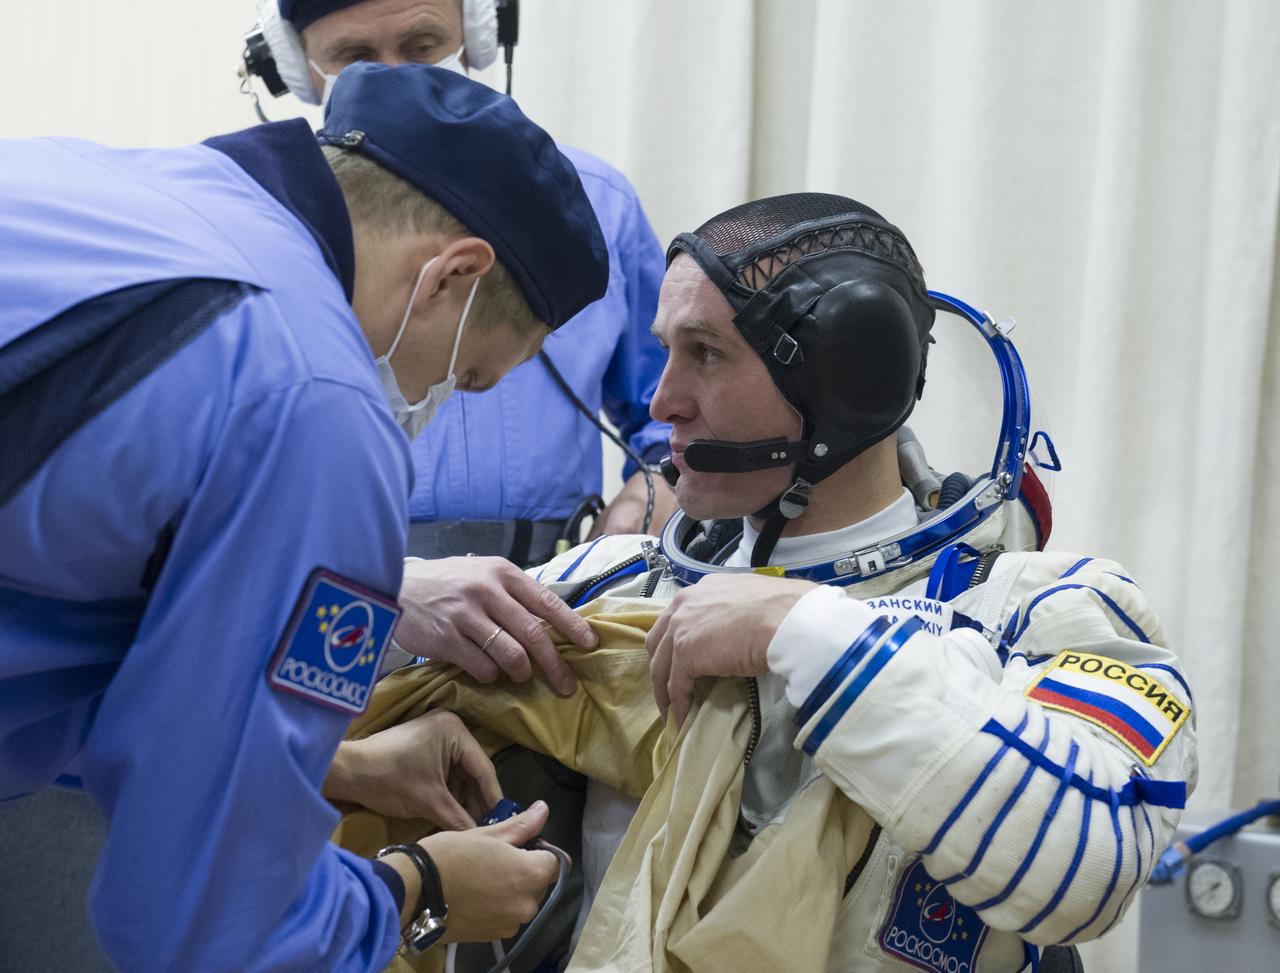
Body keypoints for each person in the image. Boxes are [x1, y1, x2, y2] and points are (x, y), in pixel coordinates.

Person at [338, 193, 1198, 972]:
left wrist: (803, 628)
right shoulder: (612, 581)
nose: (665, 400)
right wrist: (392, 597)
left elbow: (1091, 860)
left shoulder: (1041, 608)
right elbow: (261, 726)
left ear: (845, 381)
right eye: (666, 353)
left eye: (705, 354)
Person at [0, 63, 610, 971]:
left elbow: (40, 612)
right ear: (453, 273)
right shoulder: (315, 404)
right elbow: (207, 926)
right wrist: (421, 890)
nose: (435, 400)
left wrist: (333, 767)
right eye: (466, 376)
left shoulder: (79, 186)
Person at [246, 0, 678, 568]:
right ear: (295, 68)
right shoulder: (255, 218)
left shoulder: (594, 204)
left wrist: (654, 490)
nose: (392, 77)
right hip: (339, 579)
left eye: (423, 46)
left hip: (547, 584)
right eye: (354, 57)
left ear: (478, 36)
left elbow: (673, 409)